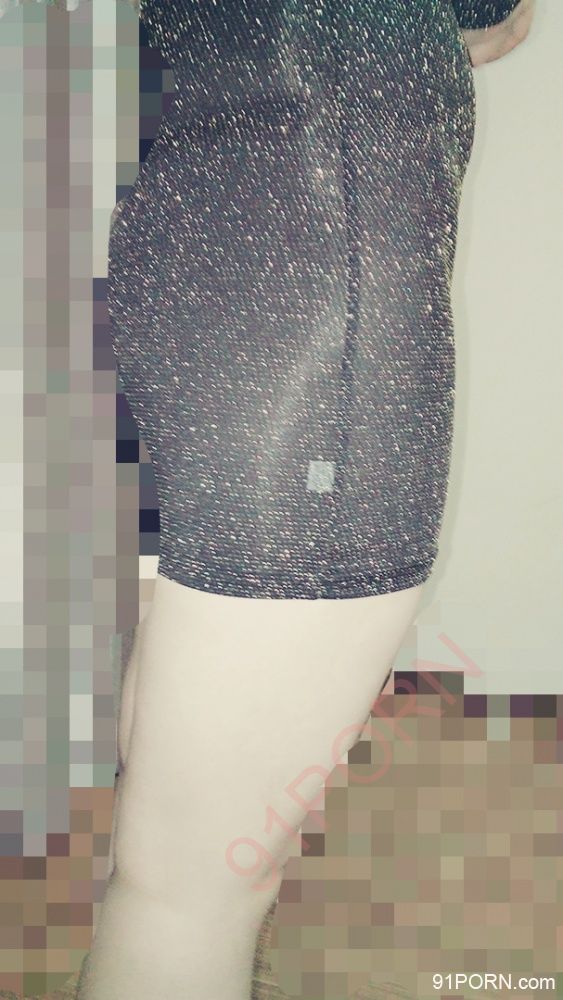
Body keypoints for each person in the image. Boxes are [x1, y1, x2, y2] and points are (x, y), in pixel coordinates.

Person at [53, 0, 532, 997]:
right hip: (309, 324)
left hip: (176, 278)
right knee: (193, 886)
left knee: (166, 802)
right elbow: (494, 24)